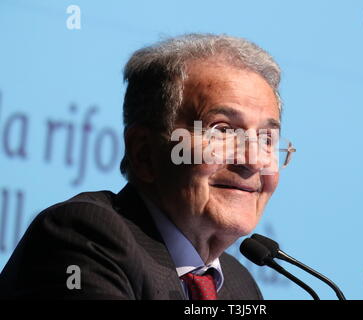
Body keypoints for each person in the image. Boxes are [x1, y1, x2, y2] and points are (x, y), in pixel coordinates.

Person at [0, 33, 295, 299]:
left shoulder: (239, 285)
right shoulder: (85, 239)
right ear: (144, 153)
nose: (254, 160)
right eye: (222, 131)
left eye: (267, 138)